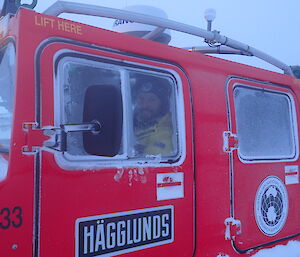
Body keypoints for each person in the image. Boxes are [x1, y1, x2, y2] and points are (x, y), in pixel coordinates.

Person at [133, 79, 174, 156]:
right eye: (141, 98)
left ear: (162, 104)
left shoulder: (164, 135)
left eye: (152, 100)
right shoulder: (131, 122)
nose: (145, 105)